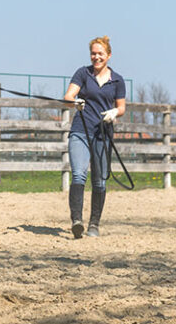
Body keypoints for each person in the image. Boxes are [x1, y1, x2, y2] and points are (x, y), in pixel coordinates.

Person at [63, 36, 126, 238]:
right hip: (81, 130)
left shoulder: (117, 80)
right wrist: (75, 102)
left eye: (100, 53)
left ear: (108, 55)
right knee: (79, 174)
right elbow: (68, 97)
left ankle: (94, 224)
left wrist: (115, 113)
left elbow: (122, 107)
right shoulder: (83, 73)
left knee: (99, 181)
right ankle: (77, 221)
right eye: (93, 53)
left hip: (102, 134)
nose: (96, 57)